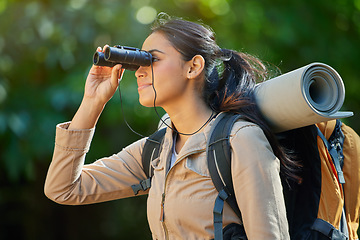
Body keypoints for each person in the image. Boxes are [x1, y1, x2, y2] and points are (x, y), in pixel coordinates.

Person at [44, 14, 299, 239]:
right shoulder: (158, 150)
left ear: (193, 67)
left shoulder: (240, 140)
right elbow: (63, 188)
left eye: (152, 59)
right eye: (139, 61)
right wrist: (92, 102)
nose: (139, 71)